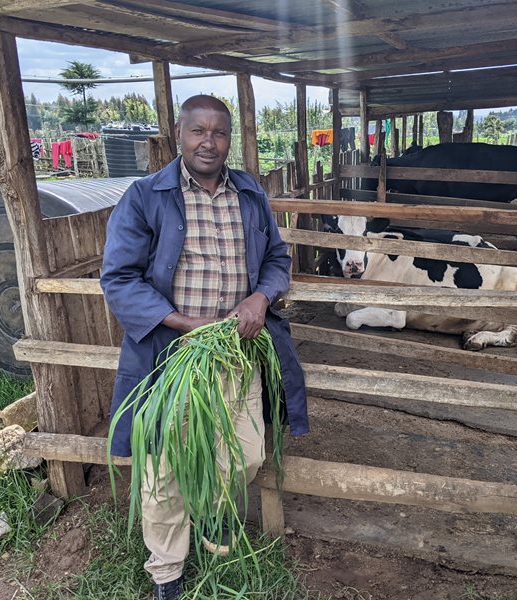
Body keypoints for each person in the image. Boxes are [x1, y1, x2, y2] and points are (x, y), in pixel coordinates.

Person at [100, 95, 309, 600]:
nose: (208, 142)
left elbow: (278, 258)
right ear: (179, 134)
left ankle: (214, 511)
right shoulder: (146, 195)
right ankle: (167, 570)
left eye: (218, 132)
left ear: (229, 138)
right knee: (163, 465)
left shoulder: (250, 193)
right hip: (170, 356)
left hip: (236, 350)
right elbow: (119, 277)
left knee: (246, 452)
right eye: (198, 131)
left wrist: (261, 296)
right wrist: (181, 322)